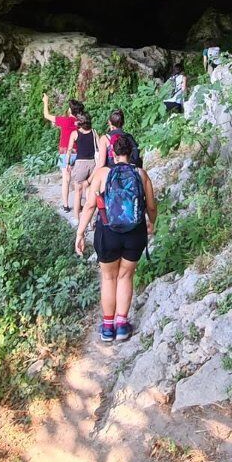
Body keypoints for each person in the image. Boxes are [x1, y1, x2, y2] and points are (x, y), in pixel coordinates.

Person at [76, 134, 157, 342]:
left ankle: (107, 327)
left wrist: (80, 232)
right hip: (134, 234)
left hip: (107, 233)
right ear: (131, 153)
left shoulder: (102, 173)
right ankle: (122, 325)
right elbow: (151, 207)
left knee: (109, 278)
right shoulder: (141, 174)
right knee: (125, 277)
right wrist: (152, 223)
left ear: (112, 153)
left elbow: (90, 206)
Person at [44, 93, 83, 211]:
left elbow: (46, 115)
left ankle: (66, 206)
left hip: (65, 153)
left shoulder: (65, 121)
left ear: (70, 110)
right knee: (79, 180)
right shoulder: (81, 122)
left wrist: (46, 101)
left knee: (66, 179)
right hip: (78, 153)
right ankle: (79, 204)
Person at [64, 112, 98, 215]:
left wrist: (68, 164)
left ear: (80, 122)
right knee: (89, 191)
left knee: (78, 192)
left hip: (80, 164)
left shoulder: (75, 134)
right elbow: (99, 147)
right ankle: (91, 220)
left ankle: (77, 218)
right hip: (93, 164)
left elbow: (69, 150)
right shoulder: (94, 132)